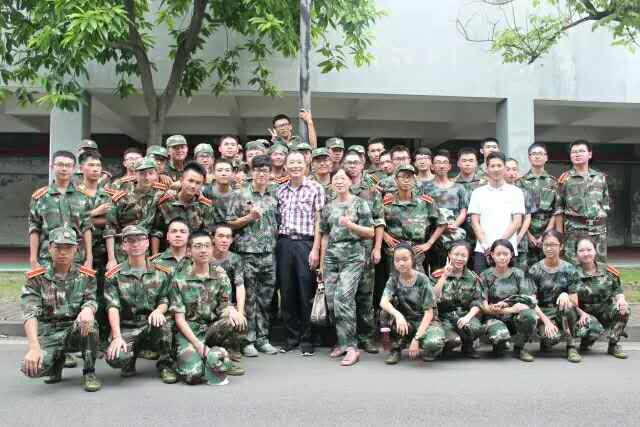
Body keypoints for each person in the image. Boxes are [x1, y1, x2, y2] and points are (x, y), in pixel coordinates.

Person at [20, 226, 101, 392]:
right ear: (49, 248)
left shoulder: (86, 276)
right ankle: (56, 362)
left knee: (90, 325)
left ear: (76, 249)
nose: (63, 252)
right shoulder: (36, 278)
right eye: (58, 247)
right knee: (31, 369)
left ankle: (89, 371)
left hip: (74, 330)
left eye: (68, 247)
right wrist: (34, 348)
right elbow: (30, 313)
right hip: (49, 333)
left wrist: (88, 310)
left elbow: (91, 300)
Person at [170, 231, 246, 385]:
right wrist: (198, 346)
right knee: (193, 376)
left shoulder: (220, 274)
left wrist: (233, 311)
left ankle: (220, 355)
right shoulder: (179, 278)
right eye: (198, 246)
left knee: (236, 319)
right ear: (189, 251)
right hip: (189, 332)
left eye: (207, 246)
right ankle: (185, 359)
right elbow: (179, 319)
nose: (203, 250)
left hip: (210, 328)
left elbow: (224, 305)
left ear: (212, 249)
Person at [103, 225, 177, 383]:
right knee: (116, 357)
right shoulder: (114, 275)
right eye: (130, 240)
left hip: (151, 324)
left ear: (147, 243)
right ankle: (129, 358)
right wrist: (116, 336)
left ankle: (165, 364)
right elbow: (112, 307)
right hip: (128, 326)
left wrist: (158, 310)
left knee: (164, 323)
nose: (135, 244)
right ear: (123, 246)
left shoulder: (161, 272)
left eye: (140, 240)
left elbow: (165, 298)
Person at [319, 168, 375, 366]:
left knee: (344, 298)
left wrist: (351, 225)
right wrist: (321, 263)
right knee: (332, 301)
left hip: (353, 256)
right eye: (336, 178)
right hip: (331, 257)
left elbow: (370, 232)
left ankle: (352, 347)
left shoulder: (360, 203)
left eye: (343, 178)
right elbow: (325, 234)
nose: (339, 182)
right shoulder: (328, 207)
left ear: (350, 182)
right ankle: (342, 342)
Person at [227, 155, 280, 356]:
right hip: (246, 253)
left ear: (270, 173)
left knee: (265, 299)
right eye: (258, 170)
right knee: (248, 298)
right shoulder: (240, 194)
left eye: (265, 171)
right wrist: (249, 217)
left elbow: (278, 222)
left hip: (268, 253)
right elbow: (230, 223)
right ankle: (247, 339)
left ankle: (262, 338)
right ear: (252, 172)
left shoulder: (274, 195)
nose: (261, 174)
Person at [275, 151, 325, 356]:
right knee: (287, 292)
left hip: (306, 243)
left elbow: (320, 221)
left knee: (306, 292)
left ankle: (307, 338)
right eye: (291, 163)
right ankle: (291, 337)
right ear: (285, 167)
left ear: (306, 165)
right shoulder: (280, 190)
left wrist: (316, 249)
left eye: (299, 162)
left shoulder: (315, 188)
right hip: (285, 243)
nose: (295, 166)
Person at [343, 152, 385, 354]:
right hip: (342, 250)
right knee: (344, 296)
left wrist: (377, 248)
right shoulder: (337, 188)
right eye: (348, 163)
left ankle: (366, 337)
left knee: (365, 295)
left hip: (365, 250)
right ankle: (345, 338)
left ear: (362, 166)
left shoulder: (371, 191)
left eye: (356, 163)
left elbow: (379, 221)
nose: (352, 166)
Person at [379, 244, 445, 364]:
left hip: (425, 321)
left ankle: (425, 346)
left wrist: (416, 339)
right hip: (406, 321)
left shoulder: (422, 280)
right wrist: (398, 315)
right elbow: (383, 302)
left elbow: (429, 313)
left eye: (405, 259)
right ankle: (396, 348)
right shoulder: (393, 279)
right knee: (385, 312)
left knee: (434, 343)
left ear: (412, 260)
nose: (401, 263)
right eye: (397, 260)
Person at [29, 150, 93, 270]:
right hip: (47, 257)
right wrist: (33, 259)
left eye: (68, 165)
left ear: (74, 169)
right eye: (60, 164)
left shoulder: (83, 196)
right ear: (52, 167)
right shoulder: (40, 197)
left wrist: (89, 258)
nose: (64, 169)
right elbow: (34, 229)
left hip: (76, 257)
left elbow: (87, 228)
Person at [380, 164, 446, 274]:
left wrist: (429, 243)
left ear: (414, 180)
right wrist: (384, 235)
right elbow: (375, 222)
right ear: (396, 180)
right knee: (395, 281)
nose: (406, 180)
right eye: (402, 177)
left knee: (418, 280)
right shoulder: (386, 203)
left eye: (409, 177)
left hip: (417, 250)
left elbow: (442, 223)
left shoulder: (425, 202)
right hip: (394, 250)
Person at [527, 230, 582, 363]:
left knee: (568, 306)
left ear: (561, 246)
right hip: (543, 312)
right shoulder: (535, 270)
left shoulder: (569, 269)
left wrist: (565, 295)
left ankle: (571, 346)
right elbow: (531, 302)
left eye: (553, 245)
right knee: (551, 338)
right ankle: (545, 340)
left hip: (561, 311)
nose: (549, 248)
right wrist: (546, 321)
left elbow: (574, 301)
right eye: (546, 245)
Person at [479, 239, 537, 362]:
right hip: (493, 318)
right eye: (498, 254)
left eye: (505, 254)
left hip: (514, 318)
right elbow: (483, 305)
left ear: (511, 255)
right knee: (500, 339)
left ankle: (519, 348)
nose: (502, 257)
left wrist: (507, 308)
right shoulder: (485, 275)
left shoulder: (519, 274)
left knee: (530, 316)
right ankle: (500, 343)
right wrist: (504, 309)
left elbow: (527, 301)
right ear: (492, 255)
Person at [104, 157, 166, 270]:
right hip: (122, 248)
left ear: (157, 175)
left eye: (151, 173)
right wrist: (111, 259)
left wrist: (154, 256)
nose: (146, 177)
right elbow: (110, 228)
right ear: (135, 175)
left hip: (144, 248)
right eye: (142, 173)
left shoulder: (160, 194)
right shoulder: (122, 195)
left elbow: (156, 228)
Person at [468, 152, 525, 273]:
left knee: (508, 283)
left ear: (504, 168)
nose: (496, 169)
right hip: (483, 249)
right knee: (481, 282)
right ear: (486, 169)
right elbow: (475, 222)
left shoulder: (516, 192)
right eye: (492, 166)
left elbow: (517, 221)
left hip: (507, 250)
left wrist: (498, 245)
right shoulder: (478, 193)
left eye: (499, 165)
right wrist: (485, 245)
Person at [574, 237, 629, 359]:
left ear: (595, 251)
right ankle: (586, 341)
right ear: (576, 254)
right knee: (593, 328)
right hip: (583, 314)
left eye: (589, 249)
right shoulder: (572, 273)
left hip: (605, 311)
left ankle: (613, 345)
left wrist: (621, 300)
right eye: (581, 250)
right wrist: (581, 313)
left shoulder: (607, 270)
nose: (586, 253)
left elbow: (617, 290)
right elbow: (570, 298)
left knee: (624, 309)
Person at [77, 151, 113, 338]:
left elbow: (110, 222)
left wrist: (86, 218)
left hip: (102, 252)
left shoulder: (106, 194)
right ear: (81, 168)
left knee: (102, 293)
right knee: (80, 294)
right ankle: (80, 335)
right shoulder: (74, 194)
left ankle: (101, 337)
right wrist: (94, 213)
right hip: (79, 253)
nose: (95, 169)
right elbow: (71, 221)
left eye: (98, 166)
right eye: (91, 165)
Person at [558, 140, 610, 262]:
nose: (577, 154)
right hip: (574, 230)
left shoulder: (600, 178)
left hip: (598, 231)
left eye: (581, 151)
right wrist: (560, 235)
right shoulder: (565, 179)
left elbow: (605, 204)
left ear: (589, 154)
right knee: (573, 265)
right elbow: (558, 209)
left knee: (599, 265)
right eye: (574, 152)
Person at [431, 241, 483, 358]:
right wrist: (444, 276)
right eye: (456, 254)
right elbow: (433, 297)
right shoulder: (437, 275)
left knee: (476, 328)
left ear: (468, 257)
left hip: (463, 315)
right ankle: (444, 346)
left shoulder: (473, 277)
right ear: (449, 254)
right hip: (443, 317)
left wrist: (467, 317)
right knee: (453, 340)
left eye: (463, 255)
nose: (459, 258)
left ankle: (468, 345)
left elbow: (477, 301)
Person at [152, 162, 214, 254]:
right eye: (190, 181)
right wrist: (155, 256)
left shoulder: (205, 206)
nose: (193, 186)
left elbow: (206, 234)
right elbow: (156, 231)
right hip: (168, 254)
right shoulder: (165, 202)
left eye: (198, 183)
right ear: (181, 180)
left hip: (194, 254)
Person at [425, 149, 469, 271]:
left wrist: (455, 224)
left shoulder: (459, 188)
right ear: (432, 166)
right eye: (438, 163)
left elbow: (463, 210)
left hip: (455, 234)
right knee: (436, 268)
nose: (441, 166)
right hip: (434, 233)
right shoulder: (425, 187)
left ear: (449, 167)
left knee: (457, 267)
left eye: (444, 163)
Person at [210, 224, 247, 359]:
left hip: (226, 303)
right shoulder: (204, 256)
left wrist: (240, 311)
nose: (224, 240)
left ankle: (231, 347)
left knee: (239, 317)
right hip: (206, 302)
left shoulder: (235, 259)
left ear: (232, 240)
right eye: (220, 236)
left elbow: (240, 285)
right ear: (213, 238)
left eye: (228, 237)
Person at [519, 143, 560, 266]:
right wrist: (528, 235)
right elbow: (518, 212)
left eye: (541, 154)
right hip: (526, 229)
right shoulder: (520, 182)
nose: (537, 156)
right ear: (529, 157)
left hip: (547, 228)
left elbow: (557, 210)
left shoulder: (554, 182)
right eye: (534, 154)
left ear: (546, 157)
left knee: (548, 266)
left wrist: (546, 234)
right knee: (526, 267)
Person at [504, 158, 534, 271]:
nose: (511, 173)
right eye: (508, 169)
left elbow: (527, 217)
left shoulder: (524, 192)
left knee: (520, 272)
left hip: (520, 240)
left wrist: (520, 236)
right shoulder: (495, 191)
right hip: (501, 237)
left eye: (514, 169)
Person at [202, 159, 236, 224]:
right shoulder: (206, 192)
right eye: (219, 170)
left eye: (227, 170)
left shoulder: (238, 193)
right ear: (213, 173)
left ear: (232, 173)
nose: (224, 174)